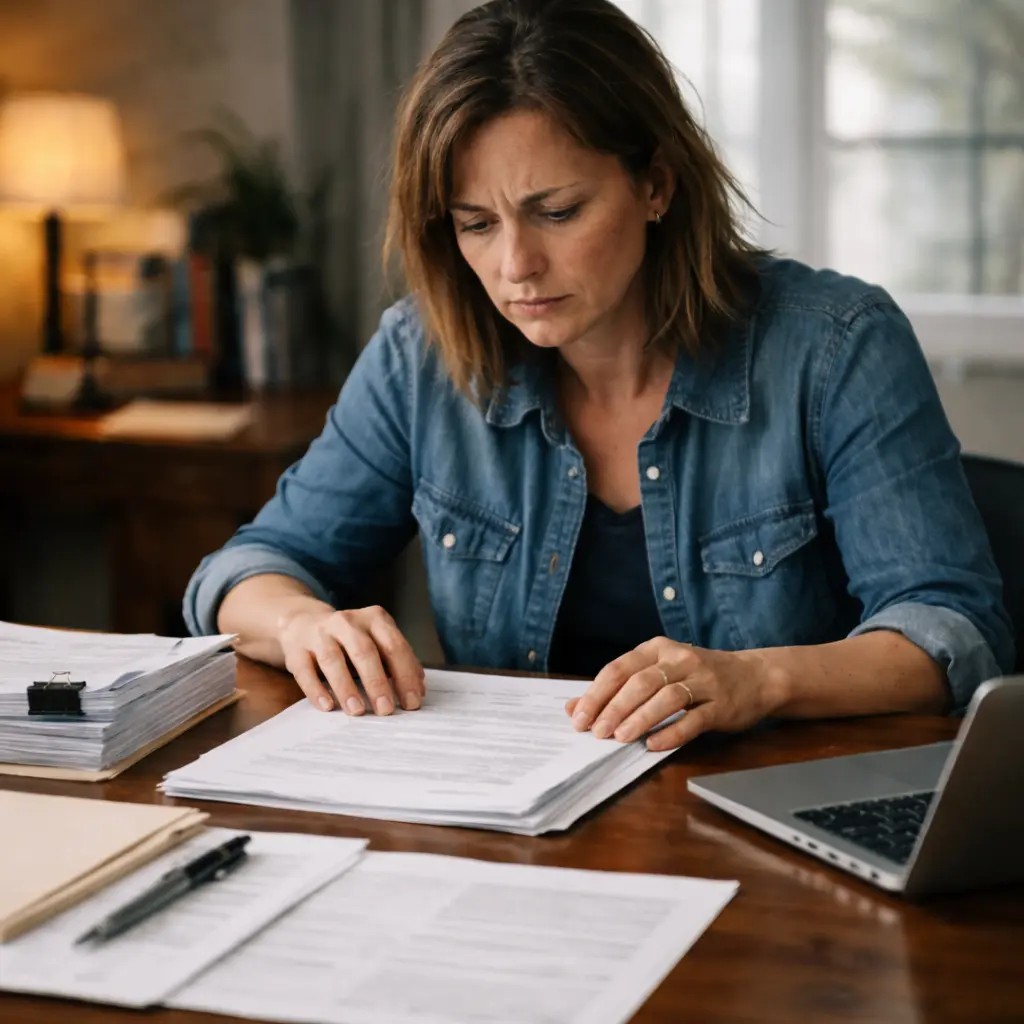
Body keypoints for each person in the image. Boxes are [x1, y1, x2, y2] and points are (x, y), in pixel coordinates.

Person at [184, 0, 1013, 751]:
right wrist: (298, 622)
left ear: (655, 184)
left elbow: (952, 630)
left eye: (557, 212)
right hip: (521, 824)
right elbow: (246, 571)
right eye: (476, 224)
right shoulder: (420, 356)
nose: (515, 266)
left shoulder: (837, 347)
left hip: (770, 821)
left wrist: (757, 679)